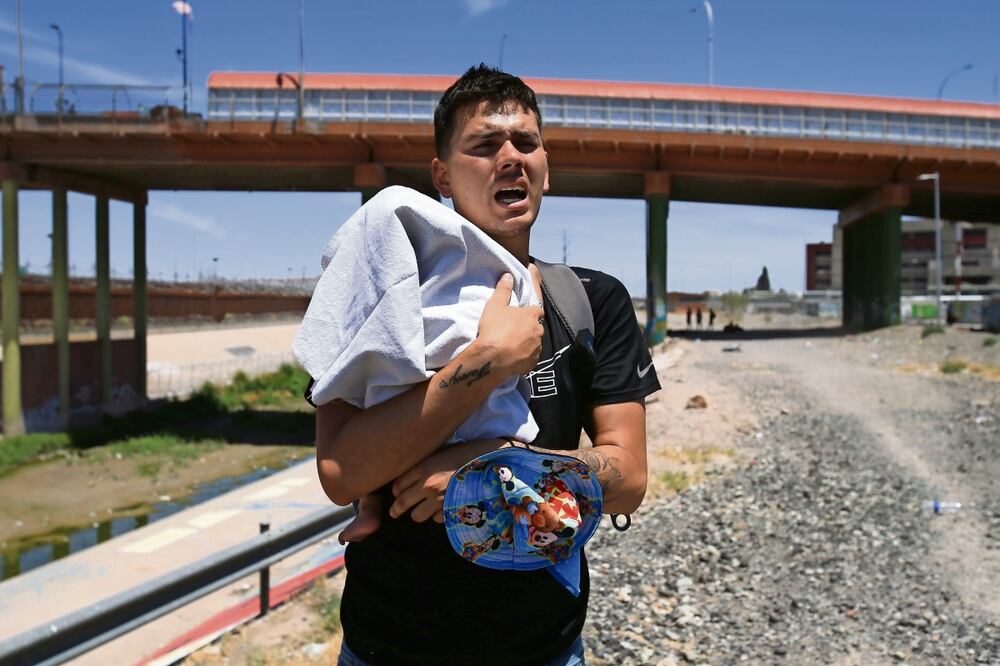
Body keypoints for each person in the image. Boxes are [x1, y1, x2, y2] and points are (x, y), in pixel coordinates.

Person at [311, 64, 660, 665]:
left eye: (526, 143)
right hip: (388, 646)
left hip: (541, 648)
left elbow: (628, 480)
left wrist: (488, 470)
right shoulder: (381, 299)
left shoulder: (592, 301)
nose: (510, 157)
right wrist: (489, 361)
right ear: (442, 176)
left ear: (545, 168)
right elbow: (341, 471)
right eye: (483, 145)